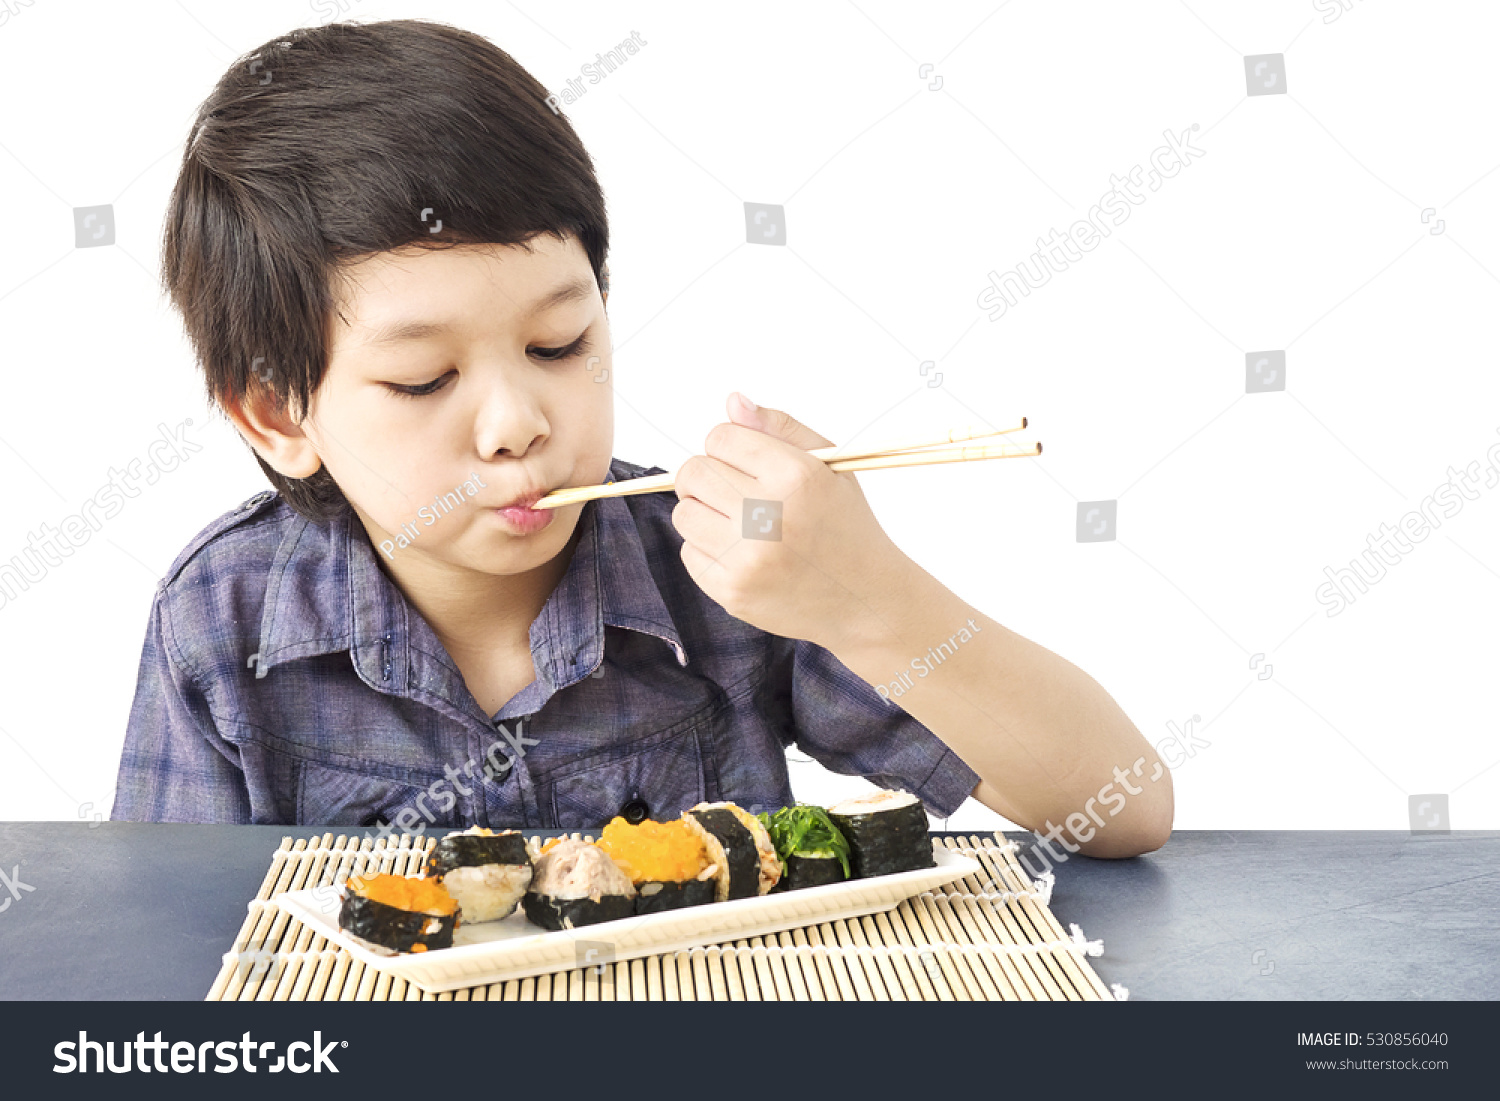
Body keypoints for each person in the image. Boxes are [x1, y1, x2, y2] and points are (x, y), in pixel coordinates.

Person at [112, 19, 1170, 857]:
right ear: (277, 414)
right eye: (425, 377)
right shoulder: (223, 615)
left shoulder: (721, 562)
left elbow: (1123, 811)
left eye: (560, 344)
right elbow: (162, 961)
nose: (518, 423)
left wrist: (870, 593)